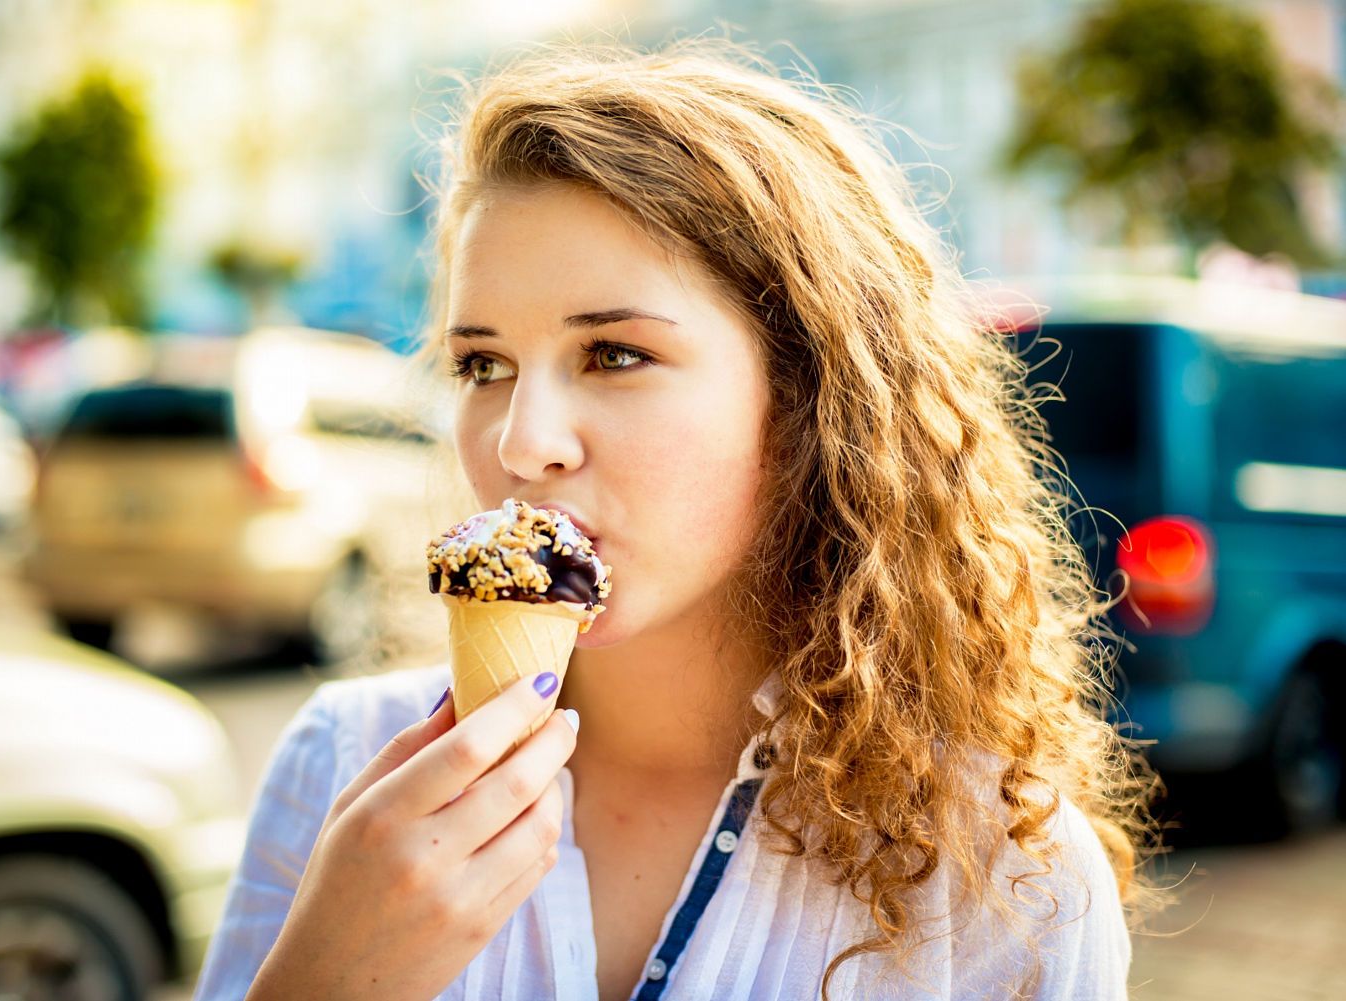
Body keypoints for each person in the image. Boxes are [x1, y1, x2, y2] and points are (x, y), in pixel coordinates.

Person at [194, 39, 1157, 1001]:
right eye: (484, 365)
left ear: (808, 398)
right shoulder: (340, 766)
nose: (523, 444)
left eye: (613, 354)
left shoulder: (1002, 874)